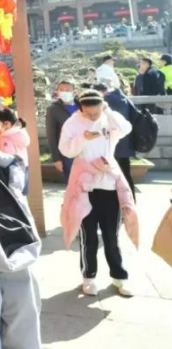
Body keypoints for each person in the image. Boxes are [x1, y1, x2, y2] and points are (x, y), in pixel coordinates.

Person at [59, 90, 135, 298]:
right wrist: (83, 139)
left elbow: (125, 129)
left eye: (96, 112)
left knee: (112, 236)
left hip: (109, 184)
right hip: (85, 187)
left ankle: (120, 277)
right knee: (89, 236)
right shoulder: (73, 123)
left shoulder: (108, 119)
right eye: (88, 113)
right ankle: (89, 277)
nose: (92, 117)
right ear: (81, 108)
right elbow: (66, 150)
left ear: (102, 106)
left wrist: (108, 112)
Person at [101, 79, 137, 200]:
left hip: (114, 144)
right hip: (126, 144)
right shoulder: (123, 98)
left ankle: (123, 204)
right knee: (126, 175)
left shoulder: (107, 102)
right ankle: (132, 203)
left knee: (117, 177)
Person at [46, 80, 78, 184]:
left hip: (85, 150)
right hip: (66, 153)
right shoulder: (53, 109)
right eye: (61, 90)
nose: (64, 92)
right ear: (57, 92)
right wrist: (56, 158)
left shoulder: (82, 106)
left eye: (67, 90)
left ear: (74, 91)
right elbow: (51, 135)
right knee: (72, 183)